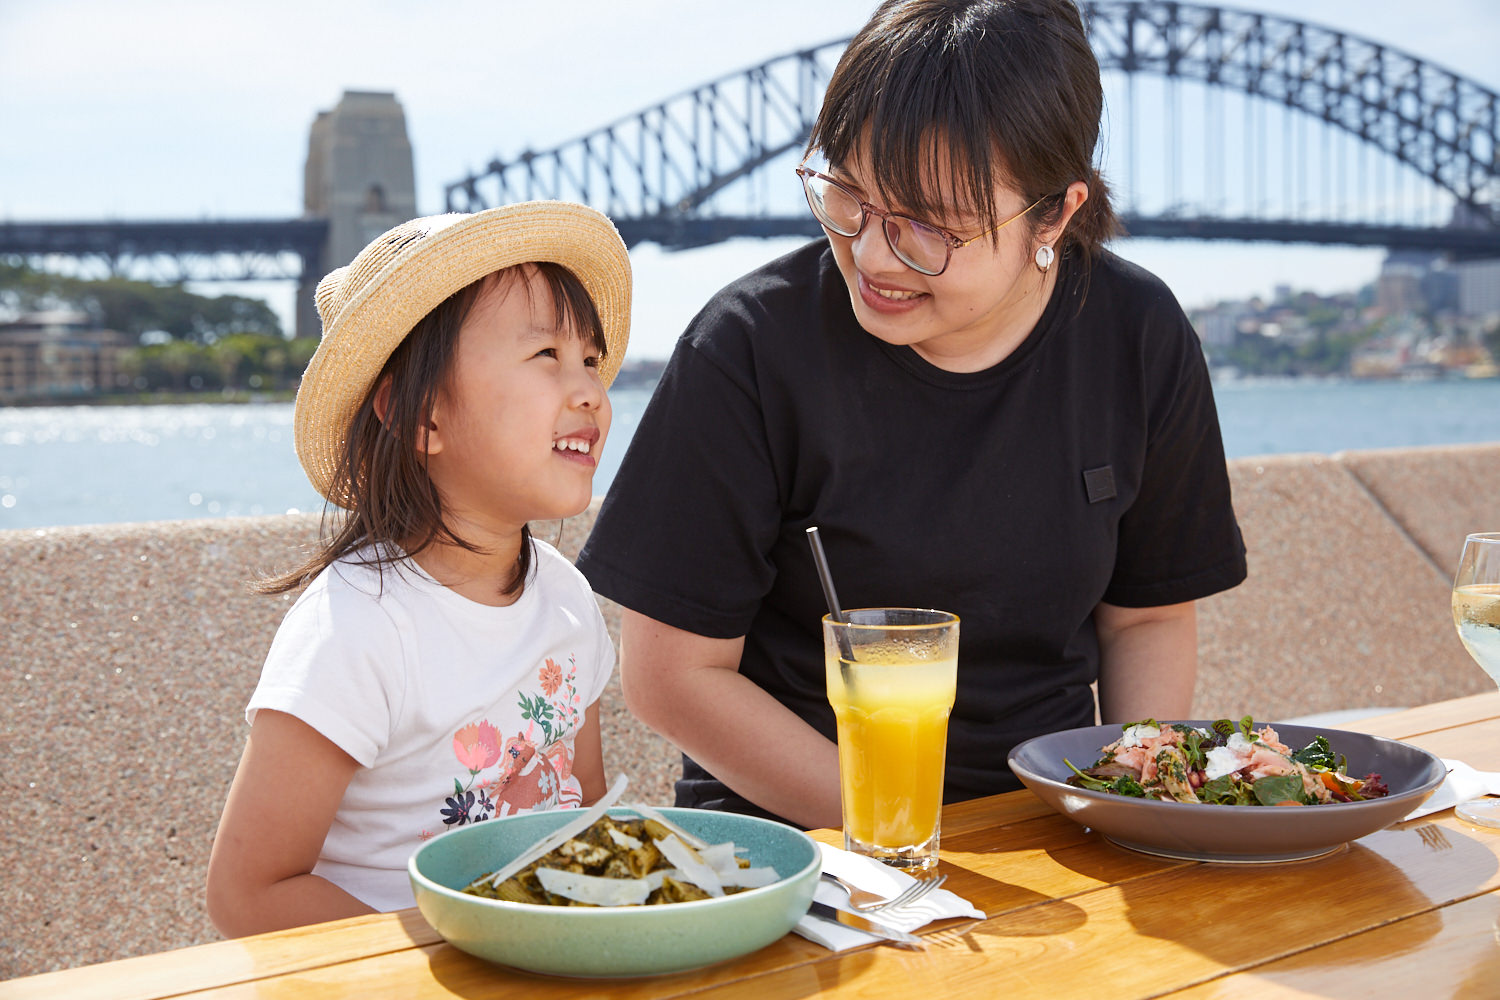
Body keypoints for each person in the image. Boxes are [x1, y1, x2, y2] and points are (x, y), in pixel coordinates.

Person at [575, 0, 1247, 832]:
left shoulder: (1137, 333)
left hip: (1056, 824)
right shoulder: (748, 348)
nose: (872, 255)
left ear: (1056, 213)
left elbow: (1146, 615)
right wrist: (902, 830)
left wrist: (1134, 805)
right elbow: (673, 679)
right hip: (808, 842)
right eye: (849, 195)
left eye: (930, 225)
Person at [206, 201, 631, 936]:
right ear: (421, 413)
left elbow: (583, 806)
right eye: (545, 357)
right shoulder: (359, 626)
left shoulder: (568, 599)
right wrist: (463, 943)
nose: (591, 388)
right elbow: (248, 894)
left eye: (590, 359)